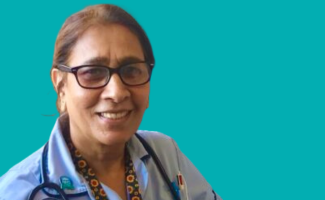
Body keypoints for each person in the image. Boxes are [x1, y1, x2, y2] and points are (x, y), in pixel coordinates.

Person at [0, 4, 222, 200]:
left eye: (132, 70)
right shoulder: (19, 192)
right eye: (93, 72)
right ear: (60, 86)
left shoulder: (166, 156)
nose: (116, 93)